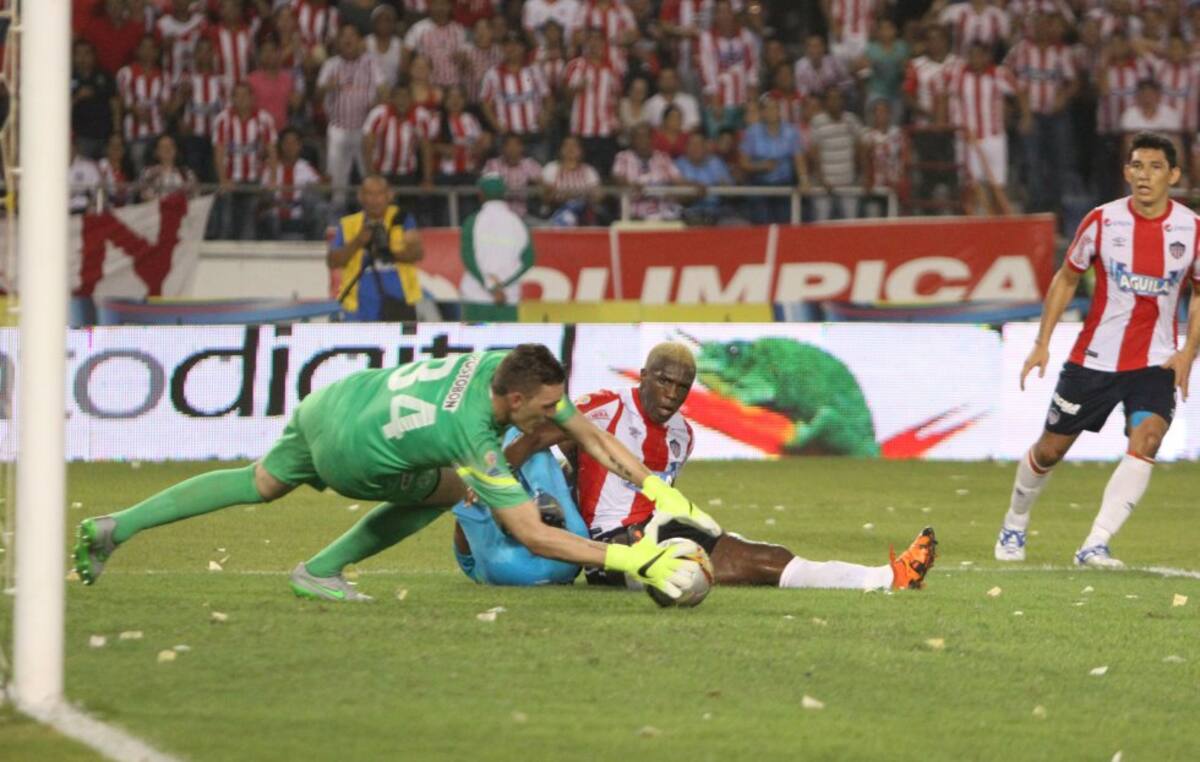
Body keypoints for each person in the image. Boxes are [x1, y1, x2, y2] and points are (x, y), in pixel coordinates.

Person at [73, 344, 722, 605]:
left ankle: (115, 526)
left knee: (259, 482)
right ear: (516, 401)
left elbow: (586, 433)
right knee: (449, 490)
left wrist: (658, 489)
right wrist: (635, 561)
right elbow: (533, 535)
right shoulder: (474, 437)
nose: (557, 415)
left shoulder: (507, 366)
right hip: (354, 458)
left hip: (334, 403)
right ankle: (320, 570)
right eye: (546, 408)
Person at [451, 343, 938, 591]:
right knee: (754, 563)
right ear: (644, 375)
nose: (671, 394)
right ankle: (883, 578)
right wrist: (490, 478)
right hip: (612, 546)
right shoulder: (604, 407)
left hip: (656, 528)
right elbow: (538, 438)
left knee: (763, 556)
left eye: (682, 387)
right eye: (663, 382)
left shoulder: (683, 434)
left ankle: (883, 577)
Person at [994, 132, 1200, 568]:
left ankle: (1096, 543)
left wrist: (1188, 352)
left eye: (1155, 167)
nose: (1144, 176)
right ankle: (1015, 521)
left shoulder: (1192, 229)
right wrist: (1042, 342)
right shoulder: (1102, 222)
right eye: (1137, 166)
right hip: (1094, 360)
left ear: (1174, 175)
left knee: (1148, 438)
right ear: (1126, 172)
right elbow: (1067, 278)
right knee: (1050, 450)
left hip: (1155, 361)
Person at [327, 174, 424, 321]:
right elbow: (333, 261)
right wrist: (358, 241)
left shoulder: (402, 218)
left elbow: (417, 253)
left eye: (379, 194)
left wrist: (389, 254)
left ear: (389, 195)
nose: (374, 200)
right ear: (360, 196)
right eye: (369, 194)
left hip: (399, 305)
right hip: (357, 310)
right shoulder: (348, 224)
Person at [316, 23, 384, 214]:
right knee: (337, 184)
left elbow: (384, 89)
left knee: (368, 177)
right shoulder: (331, 64)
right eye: (343, 36)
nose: (348, 39)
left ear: (360, 41)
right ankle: (337, 221)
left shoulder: (371, 62)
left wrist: (377, 103)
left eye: (352, 35)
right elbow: (317, 94)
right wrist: (328, 87)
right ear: (338, 42)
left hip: (364, 130)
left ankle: (372, 219)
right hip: (338, 128)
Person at [212, 82, 278, 240]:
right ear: (232, 98)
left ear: (252, 98)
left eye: (245, 95)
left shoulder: (264, 119)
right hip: (230, 179)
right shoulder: (223, 119)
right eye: (237, 95)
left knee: (249, 224)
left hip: (253, 179)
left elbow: (272, 151)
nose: (241, 99)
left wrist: (272, 179)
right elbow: (219, 152)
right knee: (226, 223)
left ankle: (247, 253)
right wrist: (223, 180)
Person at [458, 176, 534, 305]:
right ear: (504, 194)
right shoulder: (518, 223)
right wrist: (502, 284)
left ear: (481, 195)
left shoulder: (472, 222)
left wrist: (491, 286)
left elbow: (468, 257)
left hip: (475, 295)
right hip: (508, 296)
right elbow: (528, 260)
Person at [740, 96, 808, 224]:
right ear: (762, 113)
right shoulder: (752, 133)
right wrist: (762, 166)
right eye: (768, 109)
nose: (772, 112)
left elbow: (799, 159)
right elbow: (743, 163)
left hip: (784, 186)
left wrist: (804, 179)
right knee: (762, 226)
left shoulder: (791, 132)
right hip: (760, 187)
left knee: (785, 225)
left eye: (775, 108)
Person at [612, 123, 690, 221]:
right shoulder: (623, 157)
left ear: (651, 139)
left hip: (665, 215)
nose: (642, 140)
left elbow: (679, 180)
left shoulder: (663, 158)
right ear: (632, 140)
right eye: (638, 137)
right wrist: (631, 185)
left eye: (645, 137)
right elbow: (618, 178)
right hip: (635, 215)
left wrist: (695, 185)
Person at [481, 133, 544, 219]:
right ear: (503, 148)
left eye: (516, 145)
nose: (512, 149)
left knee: (541, 224)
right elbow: (483, 187)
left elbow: (543, 186)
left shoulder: (529, 164)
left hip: (523, 215)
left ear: (522, 148)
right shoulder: (492, 164)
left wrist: (536, 185)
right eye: (509, 145)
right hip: (497, 215)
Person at [138, 133, 198, 201]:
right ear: (156, 152)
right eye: (163, 147)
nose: (167, 148)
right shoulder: (148, 172)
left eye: (171, 145)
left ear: (176, 150)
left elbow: (194, 195)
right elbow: (145, 195)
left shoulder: (186, 173)